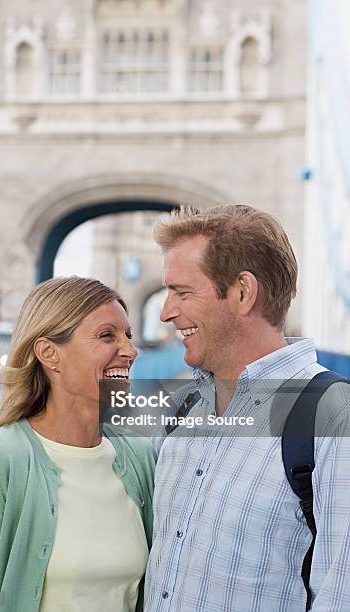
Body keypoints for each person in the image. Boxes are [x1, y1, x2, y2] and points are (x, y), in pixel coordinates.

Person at [144, 205, 350, 611]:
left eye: (182, 292)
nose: (166, 312)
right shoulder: (179, 410)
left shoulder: (332, 416)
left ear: (242, 292)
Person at [0, 276, 156, 612]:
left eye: (128, 335)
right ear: (48, 353)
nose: (130, 350)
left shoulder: (141, 457)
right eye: (106, 336)